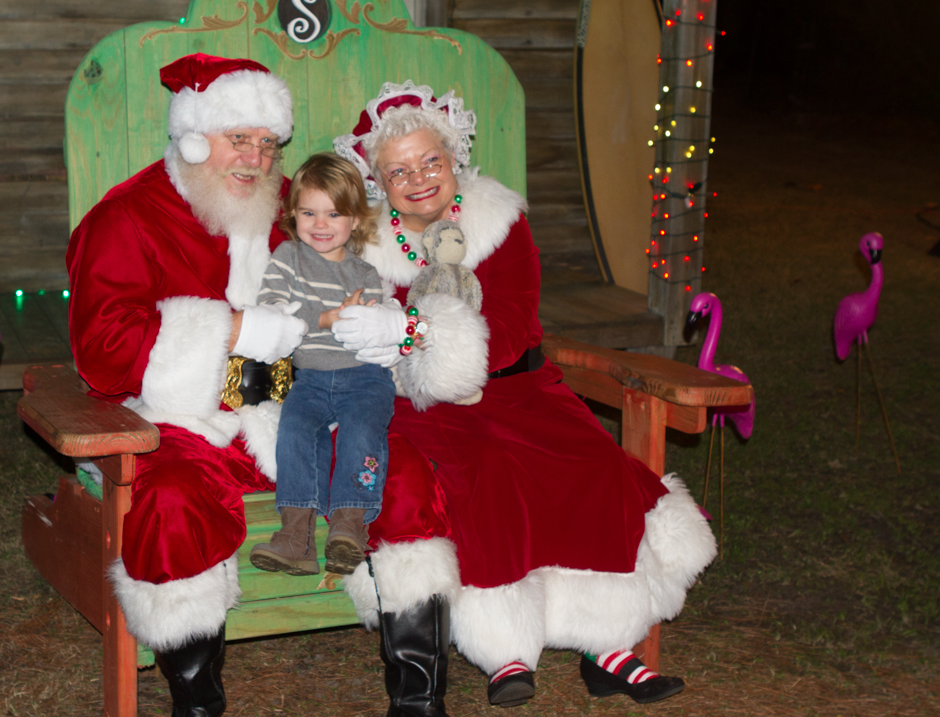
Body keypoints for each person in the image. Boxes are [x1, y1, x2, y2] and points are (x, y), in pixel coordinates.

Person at [66, 56, 458, 717]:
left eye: (268, 143)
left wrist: (368, 323)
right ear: (195, 136)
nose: (255, 158)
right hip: (183, 420)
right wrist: (232, 328)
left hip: (293, 403)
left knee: (403, 475)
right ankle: (197, 704)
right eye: (239, 139)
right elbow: (102, 352)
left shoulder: (284, 212)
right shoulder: (125, 219)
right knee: (170, 505)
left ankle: (419, 700)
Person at [331, 81, 718, 708]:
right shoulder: (366, 245)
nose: (419, 179)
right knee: (486, 470)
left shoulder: (499, 221)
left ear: (453, 157)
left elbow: (511, 323)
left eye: (430, 161)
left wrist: (426, 332)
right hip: (425, 402)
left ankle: (607, 642)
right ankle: (505, 646)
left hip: (521, 385)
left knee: (596, 463)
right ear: (378, 181)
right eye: (399, 171)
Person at [249, 153, 397, 578]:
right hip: (310, 378)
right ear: (292, 214)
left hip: (364, 377)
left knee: (361, 432)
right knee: (294, 432)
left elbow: (373, 328)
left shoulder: (364, 273)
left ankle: (349, 526)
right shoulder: (288, 257)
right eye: (308, 212)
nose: (320, 224)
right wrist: (327, 317)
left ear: (355, 219)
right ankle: (295, 538)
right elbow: (271, 307)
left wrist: (360, 318)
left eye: (334, 214)